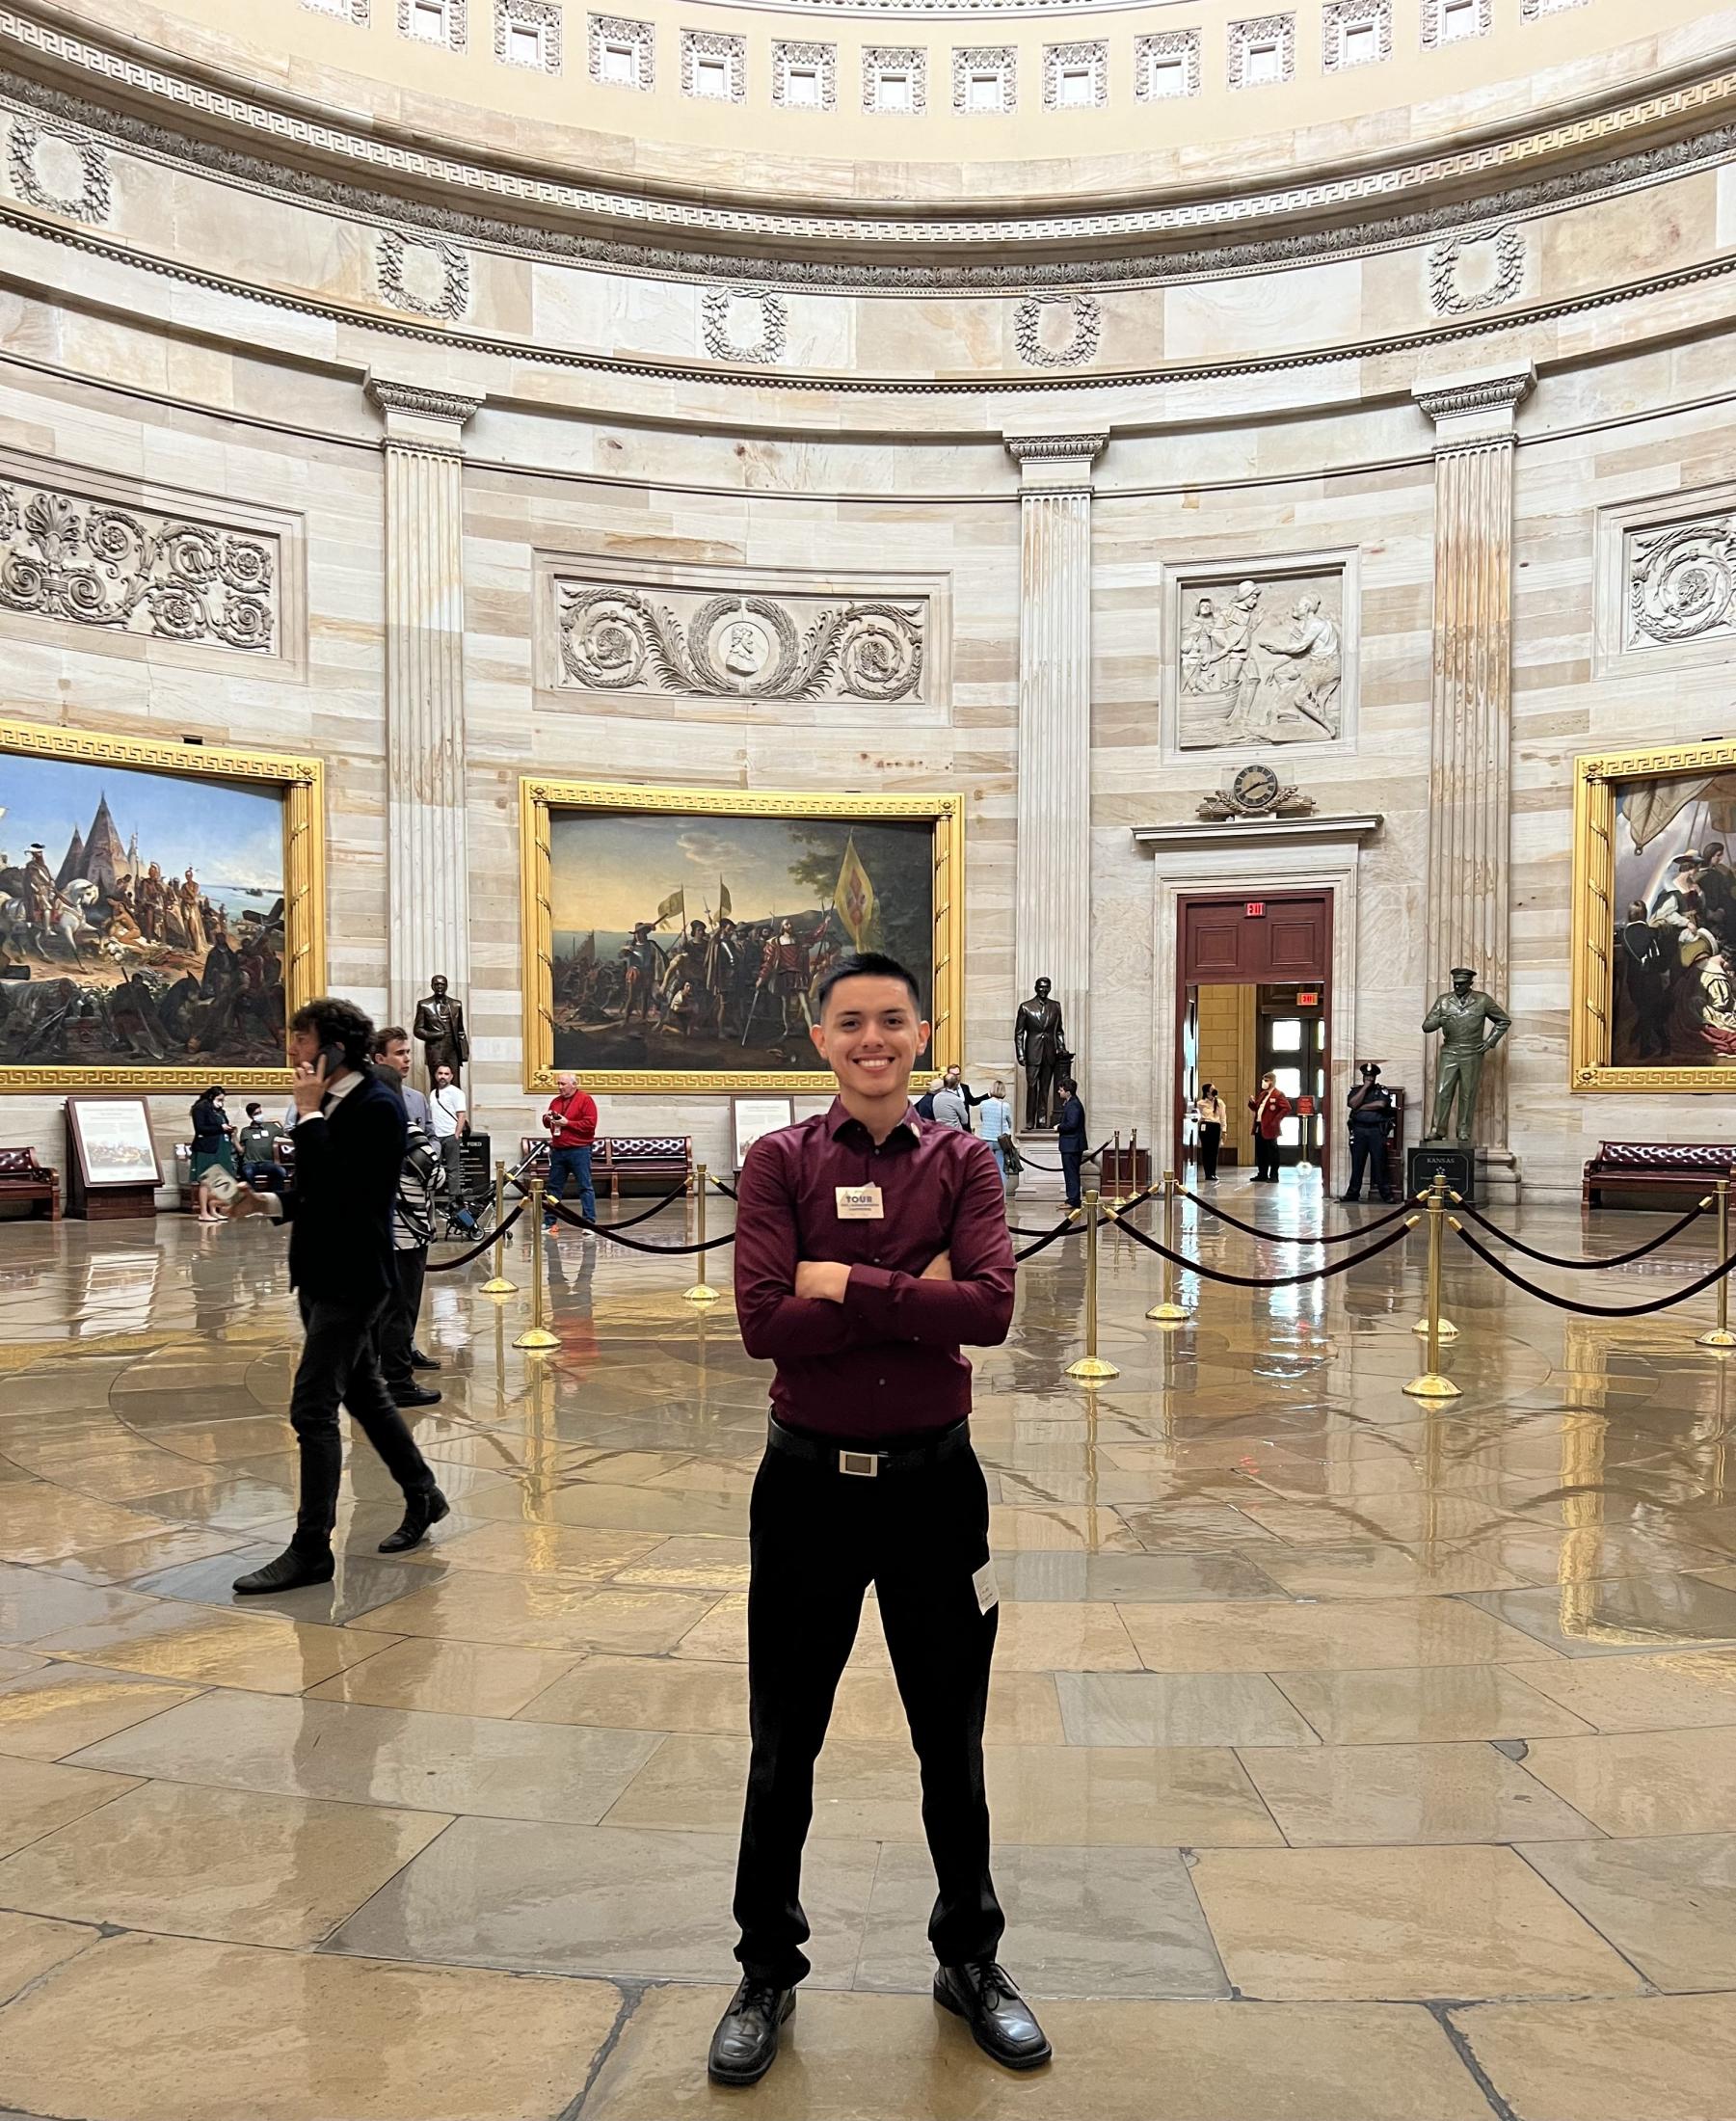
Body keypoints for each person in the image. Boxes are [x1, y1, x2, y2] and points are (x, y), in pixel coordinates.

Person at [711, 950, 1045, 2090]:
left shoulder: (964, 1160)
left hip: (932, 1490)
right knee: (782, 1743)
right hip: (805, 1487)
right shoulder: (777, 1160)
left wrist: (844, 1284)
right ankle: (764, 1968)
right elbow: (762, 1322)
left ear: (919, 1032)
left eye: (890, 1021)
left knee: (948, 1738)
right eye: (849, 1022)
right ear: (819, 1037)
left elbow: (992, 1310)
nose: (870, 1039)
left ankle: (971, 1959)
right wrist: (917, 1290)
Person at [221, 995, 448, 1594]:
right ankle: (423, 1493)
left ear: (334, 1049)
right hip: (318, 1271)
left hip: (355, 1277)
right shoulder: (328, 1104)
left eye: (302, 1041)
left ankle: (310, 1549)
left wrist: (309, 1119)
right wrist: (265, 1202)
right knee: (367, 1394)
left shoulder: (378, 1105)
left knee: (312, 1407)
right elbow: (316, 1190)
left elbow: (357, 1195)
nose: (293, 1051)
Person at [372, 1028, 441, 1405]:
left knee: (378, 1308)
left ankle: (372, 1373)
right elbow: (433, 1172)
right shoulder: (402, 1129)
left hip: (373, 1230)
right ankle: (398, 1381)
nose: (408, 1060)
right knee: (400, 1307)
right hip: (407, 1232)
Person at [543, 1069, 599, 1229]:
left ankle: (589, 1223)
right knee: (553, 1187)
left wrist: (568, 1123)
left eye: (563, 1084)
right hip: (558, 1150)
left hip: (579, 1150)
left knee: (584, 1186)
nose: (559, 1087)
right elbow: (547, 1124)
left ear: (574, 1085)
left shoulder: (586, 1100)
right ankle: (549, 1222)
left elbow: (590, 1125)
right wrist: (547, 1118)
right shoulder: (556, 1101)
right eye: (558, 1084)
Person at [428, 1062, 477, 1233]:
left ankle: (453, 1202)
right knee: (433, 1169)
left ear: (451, 1076)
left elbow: (461, 1114)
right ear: (436, 1075)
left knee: (453, 1170)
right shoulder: (433, 1093)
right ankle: (430, 1201)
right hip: (435, 1137)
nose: (443, 1076)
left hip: (450, 1136)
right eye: (440, 1073)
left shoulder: (457, 1093)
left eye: (446, 1074)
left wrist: (456, 1134)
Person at [1340, 1062, 1397, 1203]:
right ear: (1363, 1077)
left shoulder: (1381, 1091)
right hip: (1359, 1130)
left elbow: (1381, 1104)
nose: (1369, 1079)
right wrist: (1364, 1088)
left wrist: (1362, 1107)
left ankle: (1386, 1194)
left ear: (1375, 1077)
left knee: (1379, 1163)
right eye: (1367, 1076)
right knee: (1357, 1163)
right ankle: (1353, 1193)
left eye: (1371, 1077)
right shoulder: (1356, 1090)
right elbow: (1353, 1104)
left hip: (1376, 1131)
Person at [189, 1085, 236, 1222]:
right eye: (219, 1099)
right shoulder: (200, 1108)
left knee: (218, 1179)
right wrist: (220, 1127)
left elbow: (223, 1124)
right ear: (211, 1097)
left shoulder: (220, 1111)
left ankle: (213, 1210)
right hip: (206, 1148)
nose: (221, 1103)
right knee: (205, 1181)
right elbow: (200, 1128)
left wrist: (228, 1128)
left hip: (220, 1147)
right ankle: (203, 1212)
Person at [235, 1101, 288, 1196]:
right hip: (250, 1163)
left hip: (267, 1163)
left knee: (281, 1171)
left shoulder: (270, 1127)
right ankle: (255, 1199)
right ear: (250, 1116)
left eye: (260, 1112)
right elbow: (242, 1151)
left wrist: (279, 1122)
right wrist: (234, 1138)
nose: (259, 1115)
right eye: (256, 1114)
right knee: (247, 1172)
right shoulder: (245, 1131)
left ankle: (276, 1197)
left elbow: (288, 1135)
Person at [1248, 1072, 1291, 1182]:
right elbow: (1257, 1108)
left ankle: (1274, 1175)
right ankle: (1262, 1174)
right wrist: (1252, 1103)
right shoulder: (1263, 1094)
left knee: (1272, 1152)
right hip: (1259, 1126)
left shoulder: (1278, 1094)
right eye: (1263, 1080)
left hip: (1270, 1127)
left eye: (1266, 1080)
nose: (1264, 1082)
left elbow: (1286, 1108)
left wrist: (1276, 1120)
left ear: (1272, 1081)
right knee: (1261, 1152)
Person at [1054, 1076, 1086, 1209]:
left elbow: (1072, 1124)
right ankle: (1072, 1198)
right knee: (1071, 1172)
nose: (1059, 1092)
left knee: (1071, 1172)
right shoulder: (1072, 1103)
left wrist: (1059, 1127)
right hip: (1072, 1144)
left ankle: (1073, 1200)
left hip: (1072, 1144)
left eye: (1061, 1090)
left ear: (1068, 1091)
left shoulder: (1073, 1104)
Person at [976, 1079, 1014, 1188]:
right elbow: (1009, 1122)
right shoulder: (1005, 1106)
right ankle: (1002, 1198)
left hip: (986, 1139)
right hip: (1000, 1141)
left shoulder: (983, 1104)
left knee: (987, 1170)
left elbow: (982, 1118)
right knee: (1001, 1169)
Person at [1194, 1082, 1227, 1181]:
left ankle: (1213, 1172)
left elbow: (1223, 1117)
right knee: (1206, 1151)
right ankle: (1207, 1173)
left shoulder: (1220, 1102)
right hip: (1205, 1126)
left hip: (1215, 1126)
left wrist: (1224, 1130)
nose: (1214, 1090)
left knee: (1214, 1151)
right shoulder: (1200, 1103)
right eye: (1212, 1089)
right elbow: (1197, 1116)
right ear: (1207, 1091)